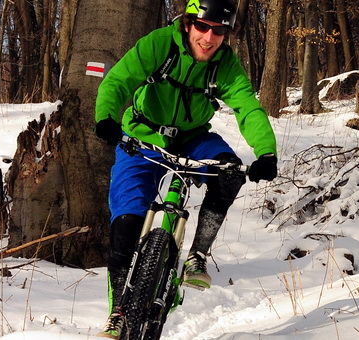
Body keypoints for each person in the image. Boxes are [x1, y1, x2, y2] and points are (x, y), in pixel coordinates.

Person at [92, 0, 278, 337]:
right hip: (143, 136)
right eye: (202, 27)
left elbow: (247, 108)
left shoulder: (225, 64)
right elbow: (118, 81)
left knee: (229, 172)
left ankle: (197, 255)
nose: (209, 38)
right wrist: (106, 117)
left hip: (193, 138)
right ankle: (117, 309)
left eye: (219, 31)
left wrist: (266, 153)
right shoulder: (159, 44)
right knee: (127, 220)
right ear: (189, 23)